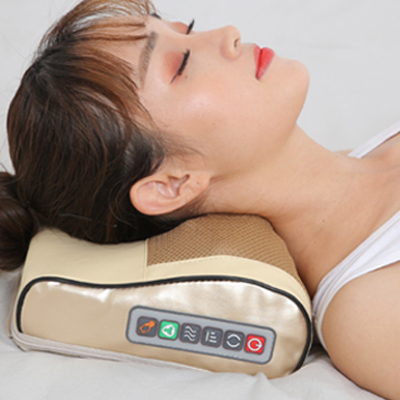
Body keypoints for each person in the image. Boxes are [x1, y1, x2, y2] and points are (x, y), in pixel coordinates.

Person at [1, 0, 399, 398]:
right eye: (182, 64)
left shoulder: (381, 152)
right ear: (171, 184)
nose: (228, 34)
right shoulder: (367, 313)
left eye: (188, 29)